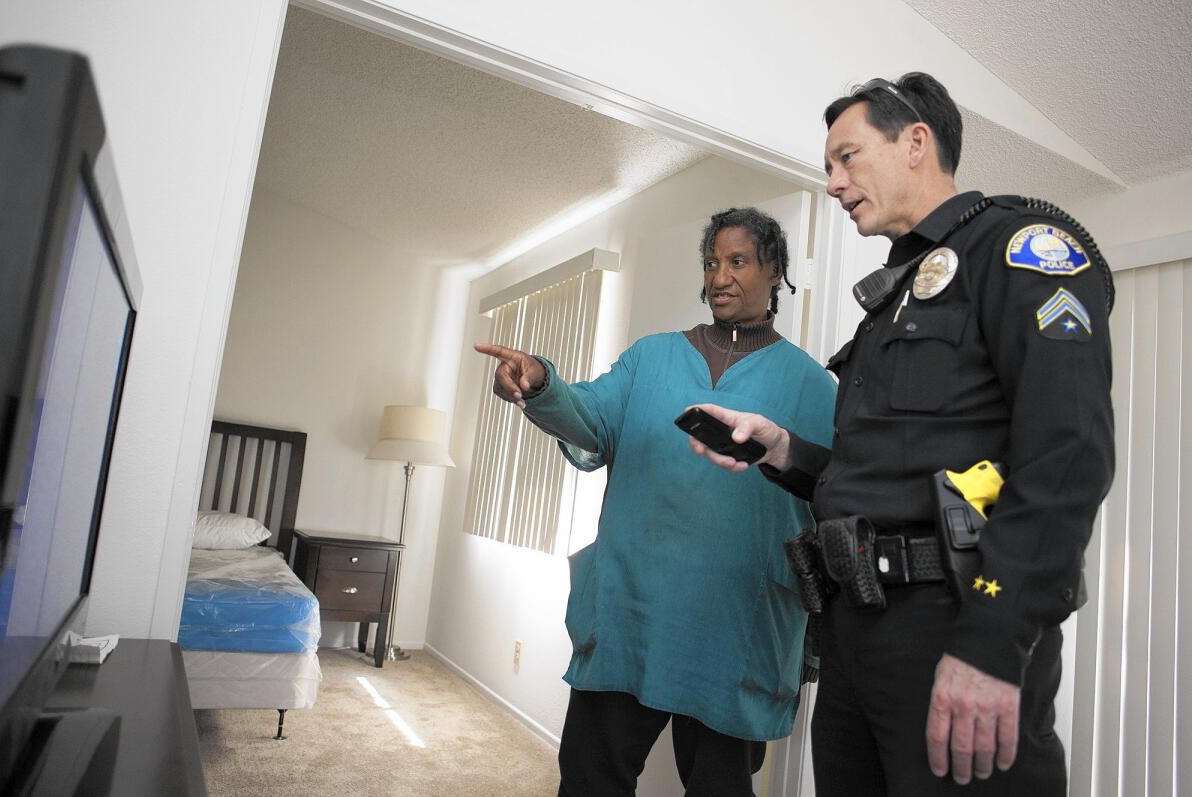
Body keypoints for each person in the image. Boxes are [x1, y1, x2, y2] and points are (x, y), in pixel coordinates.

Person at [686, 73, 1114, 796]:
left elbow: (1067, 456)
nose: (833, 182)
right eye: (828, 166)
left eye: (847, 157)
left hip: (957, 619)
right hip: (859, 631)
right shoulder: (893, 295)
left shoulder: (1021, 249)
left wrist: (990, 645)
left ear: (916, 142)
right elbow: (885, 472)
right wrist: (783, 449)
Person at [474, 207, 836, 796]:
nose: (719, 277)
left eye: (738, 261)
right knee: (592, 780)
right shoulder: (652, 357)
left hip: (737, 626)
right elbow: (590, 416)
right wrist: (539, 382)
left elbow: (835, 493)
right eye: (712, 262)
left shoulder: (813, 386)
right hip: (630, 612)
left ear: (776, 271)